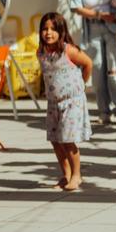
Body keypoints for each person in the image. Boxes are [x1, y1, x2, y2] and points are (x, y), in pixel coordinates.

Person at [36, 12, 91, 192]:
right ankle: (66, 174)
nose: (48, 33)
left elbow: (88, 63)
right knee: (55, 140)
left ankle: (77, 175)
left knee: (67, 139)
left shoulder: (69, 50)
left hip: (71, 102)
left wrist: (82, 82)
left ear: (61, 31)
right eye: (45, 29)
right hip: (53, 103)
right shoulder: (41, 52)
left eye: (53, 29)